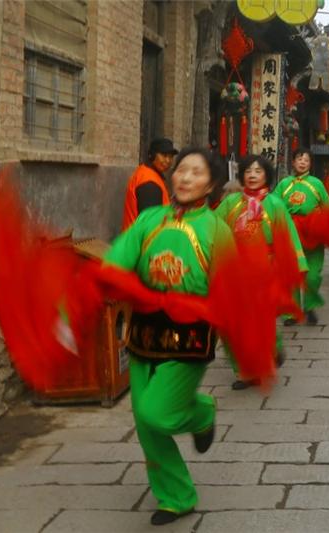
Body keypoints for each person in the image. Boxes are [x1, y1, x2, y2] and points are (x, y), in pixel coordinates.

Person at [104, 147, 227, 526]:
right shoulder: (150, 219)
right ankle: (175, 496)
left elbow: (232, 289)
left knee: (157, 413)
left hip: (191, 334)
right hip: (144, 332)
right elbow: (117, 262)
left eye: (196, 172)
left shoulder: (216, 229)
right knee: (145, 423)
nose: (185, 178)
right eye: (181, 170)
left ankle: (200, 413)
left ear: (211, 184)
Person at [215, 155, 307, 389]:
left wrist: (297, 264)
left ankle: (272, 350)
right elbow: (213, 228)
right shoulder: (230, 203)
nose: (253, 175)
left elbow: (287, 235)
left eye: (258, 171)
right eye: (248, 171)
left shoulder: (275, 204)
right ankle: (243, 371)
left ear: (267, 175)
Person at [273, 148, 329, 326]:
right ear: (293, 162)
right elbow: (273, 205)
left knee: (312, 275)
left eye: (306, 160)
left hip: (311, 233)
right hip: (290, 232)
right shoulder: (284, 184)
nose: (302, 162)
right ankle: (290, 312)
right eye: (299, 159)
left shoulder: (316, 183)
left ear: (310, 164)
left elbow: (328, 207)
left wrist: (327, 227)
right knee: (290, 273)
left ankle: (310, 306)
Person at [121, 138, 178, 231]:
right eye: (164, 155)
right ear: (152, 155)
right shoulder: (149, 183)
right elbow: (150, 226)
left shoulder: (146, 173)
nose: (168, 160)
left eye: (171, 157)